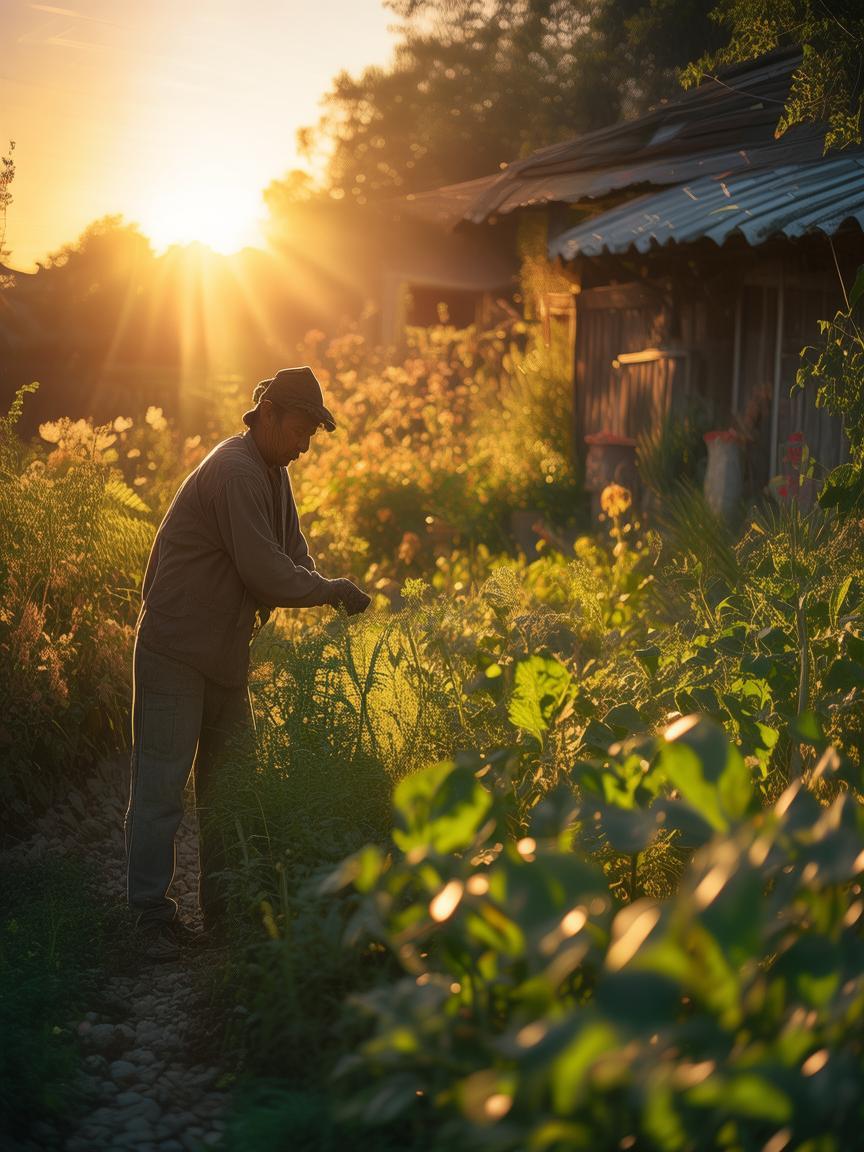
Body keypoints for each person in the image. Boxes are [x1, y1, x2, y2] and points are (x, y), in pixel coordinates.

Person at [124, 366, 370, 961]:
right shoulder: (235, 471)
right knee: (162, 788)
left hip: (222, 655)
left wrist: (318, 583)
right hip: (177, 647)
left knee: (231, 789)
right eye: (302, 428)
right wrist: (331, 590)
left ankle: (225, 910)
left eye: (314, 432)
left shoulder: (272, 471)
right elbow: (265, 570)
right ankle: (146, 918)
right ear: (266, 415)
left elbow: (293, 554)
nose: (307, 443)